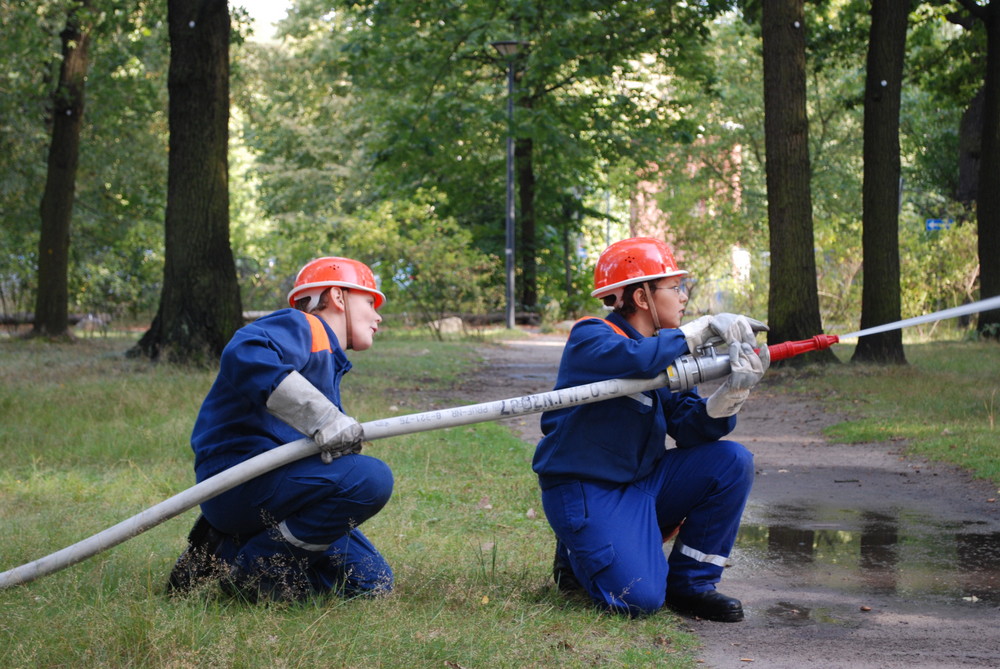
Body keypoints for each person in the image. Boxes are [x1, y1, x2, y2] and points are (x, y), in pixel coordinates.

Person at [533, 237, 769, 622]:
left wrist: (732, 394)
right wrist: (700, 331)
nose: (683, 297)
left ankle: (691, 585)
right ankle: (577, 556)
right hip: (588, 489)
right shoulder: (591, 337)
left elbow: (692, 428)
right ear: (641, 297)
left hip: (643, 482)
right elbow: (635, 360)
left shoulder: (664, 351)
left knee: (731, 462)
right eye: (674, 287)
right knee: (637, 599)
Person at [167, 256, 394, 603]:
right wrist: (324, 418)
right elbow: (244, 350)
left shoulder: (327, 362)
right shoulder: (303, 326)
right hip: (239, 483)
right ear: (337, 296)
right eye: (369, 301)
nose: (378, 316)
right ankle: (259, 567)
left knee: (370, 583)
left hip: (277, 493)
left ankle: (225, 551)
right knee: (371, 479)